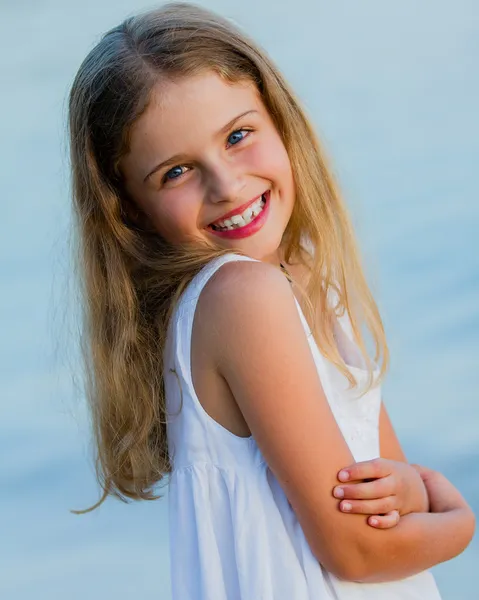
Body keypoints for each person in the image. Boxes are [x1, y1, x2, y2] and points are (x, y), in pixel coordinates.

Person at [67, 2, 475, 598]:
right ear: (129, 208)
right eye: (176, 172)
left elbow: (392, 490)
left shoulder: (306, 284)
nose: (227, 185)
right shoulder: (241, 298)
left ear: (279, 120)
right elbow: (361, 549)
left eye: (237, 136)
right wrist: (460, 524)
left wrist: (414, 496)